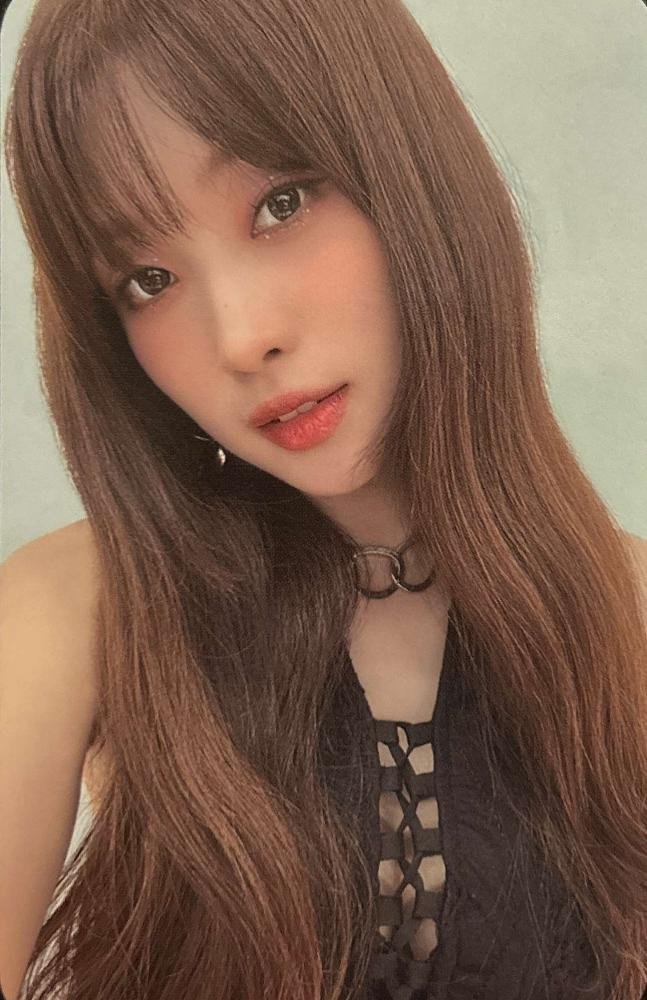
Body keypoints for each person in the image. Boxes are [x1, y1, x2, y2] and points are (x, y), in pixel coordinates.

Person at [1, 1, 646, 998]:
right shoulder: (77, 610)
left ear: (408, 173)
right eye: (148, 277)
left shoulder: (626, 610)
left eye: (281, 203)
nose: (239, 337)